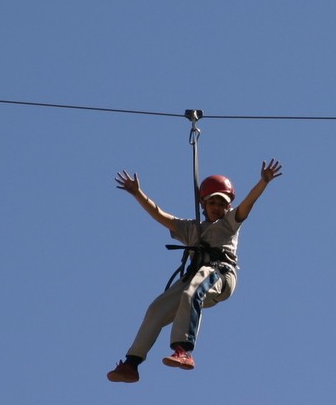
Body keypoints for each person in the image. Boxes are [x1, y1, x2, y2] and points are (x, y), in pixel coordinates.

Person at [107, 159, 283, 383]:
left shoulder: (229, 223)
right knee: (156, 309)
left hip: (220, 274)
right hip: (195, 275)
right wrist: (137, 193)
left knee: (192, 292)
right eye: (213, 203)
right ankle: (132, 364)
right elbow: (161, 215)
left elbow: (247, 204)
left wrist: (263, 182)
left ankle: (183, 350)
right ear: (203, 203)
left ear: (228, 206)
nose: (217, 208)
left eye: (222, 204)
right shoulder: (191, 228)